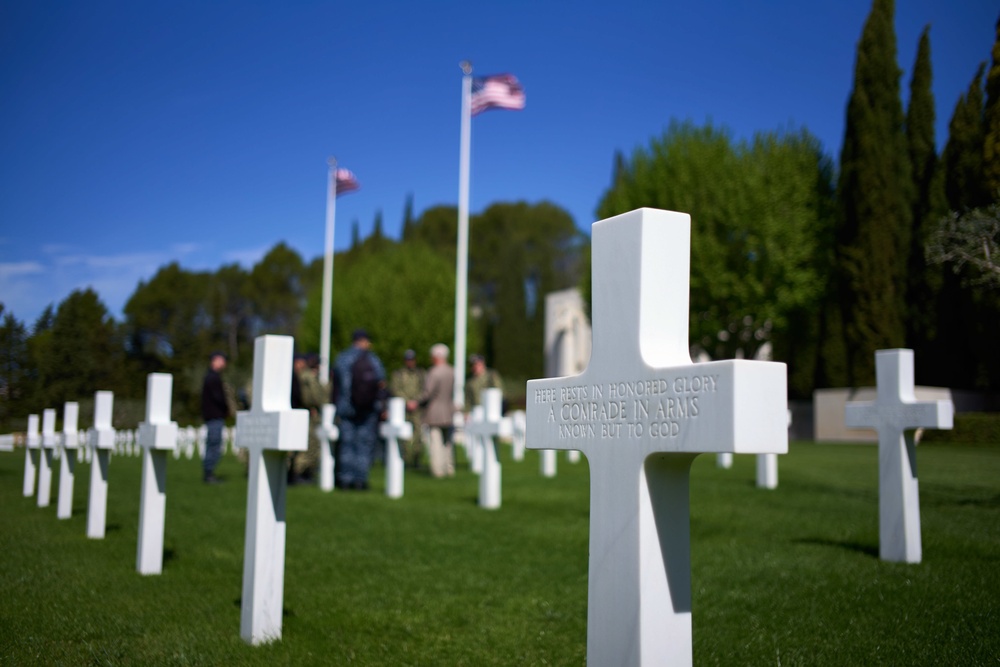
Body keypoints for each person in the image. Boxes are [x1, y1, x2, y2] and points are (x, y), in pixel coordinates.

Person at [332, 329, 386, 490]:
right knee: (364, 444)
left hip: (346, 409)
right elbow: (381, 384)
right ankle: (360, 480)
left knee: (347, 443)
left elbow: (336, 384)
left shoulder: (342, 358)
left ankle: (345, 479)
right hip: (368, 409)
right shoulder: (373, 360)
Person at [408, 343, 455, 478]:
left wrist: (415, 402)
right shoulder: (451, 371)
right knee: (447, 442)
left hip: (435, 411)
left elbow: (427, 393)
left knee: (435, 441)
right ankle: (449, 468)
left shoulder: (434, 372)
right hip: (448, 409)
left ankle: (438, 470)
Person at [290, 354, 324, 484]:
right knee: (306, 445)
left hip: (303, 412)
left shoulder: (300, 376)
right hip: (304, 412)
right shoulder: (307, 376)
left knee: (308, 445)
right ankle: (299, 473)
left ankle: (301, 473)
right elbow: (313, 396)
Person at [390, 349, 426, 468]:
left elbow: (424, 389)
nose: (410, 362)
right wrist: (406, 401)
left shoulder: (421, 374)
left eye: (412, 360)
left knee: (418, 435)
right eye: (408, 360)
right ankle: (404, 458)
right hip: (403, 408)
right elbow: (395, 389)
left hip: (417, 408)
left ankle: (416, 459)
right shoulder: (399, 374)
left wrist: (416, 401)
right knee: (403, 435)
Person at [201, 352, 230, 484]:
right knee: (214, 443)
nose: (224, 363)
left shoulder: (212, 377)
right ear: (214, 361)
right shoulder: (213, 378)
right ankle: (208, 473)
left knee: (213, 444)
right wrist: (226, 408)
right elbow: (218, 397)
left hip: (213, 415)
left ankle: (209, 472)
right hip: (214, 415)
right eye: (221, 360)